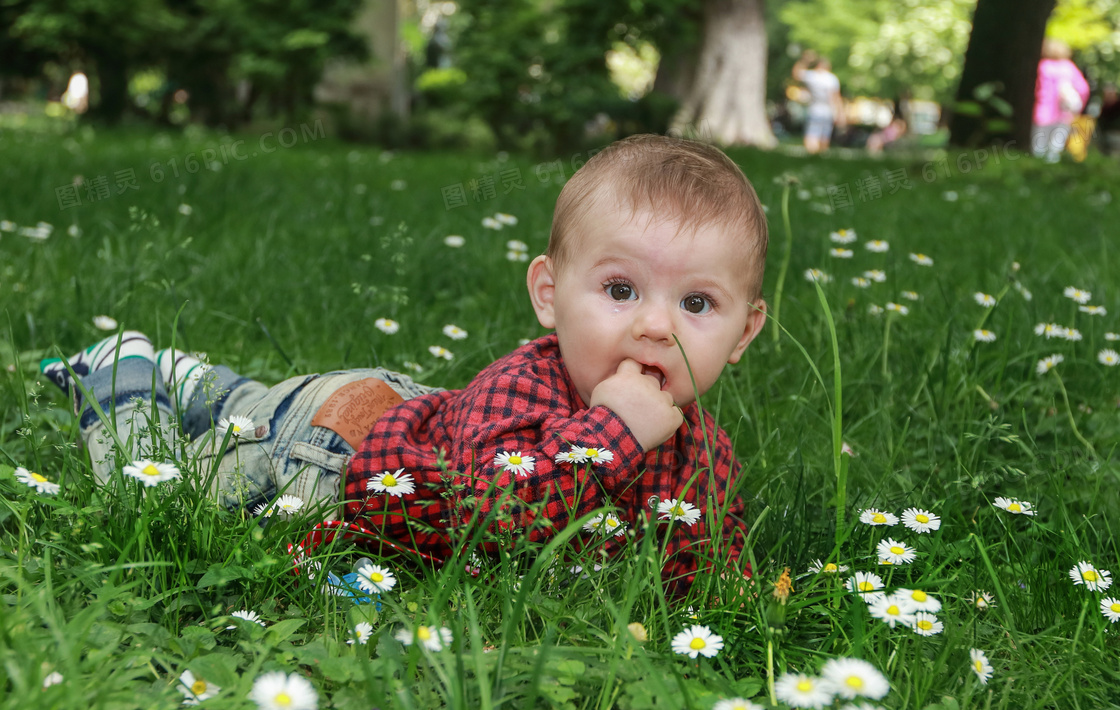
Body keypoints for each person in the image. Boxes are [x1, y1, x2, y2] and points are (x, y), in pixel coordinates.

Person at [40, 134, 769, 595]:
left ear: (743, 332)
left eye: (698, 304)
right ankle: (122, 377)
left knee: (247, 412)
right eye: (620, 289)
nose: (654, 325)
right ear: (549, 295)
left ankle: (208, 384)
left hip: (380, 410)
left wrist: (734, 592)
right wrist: (609, 434)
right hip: (330, 451)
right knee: (157, 494)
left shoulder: (704, 452)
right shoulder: (519, 387)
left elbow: (699, 557)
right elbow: (487, 519)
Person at [1032, 38, 1090, 163]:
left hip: (1042, 112)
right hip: (1064, 114)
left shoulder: (1042, 66)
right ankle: (1052, 173)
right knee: (1055, 148)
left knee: (1038, 146)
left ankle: (1036, 173)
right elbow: (1083, 88)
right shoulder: (1069, 67)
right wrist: (1078, 108)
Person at [792, 52, 844, 154]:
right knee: (824, 137)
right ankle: (821, 157)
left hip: (815, 109)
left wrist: (804, 60)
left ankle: (812, 156)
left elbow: (796, 73)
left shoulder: (813, 76)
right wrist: (840, 114)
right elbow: (836, 98)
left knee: (812, 135)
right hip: (828, 111)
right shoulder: (832, 78)